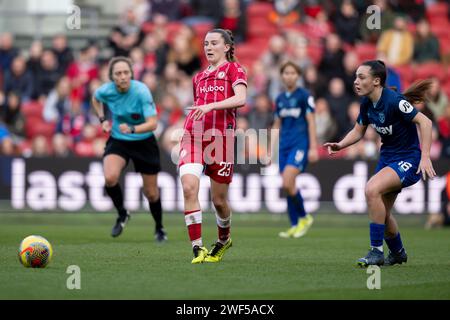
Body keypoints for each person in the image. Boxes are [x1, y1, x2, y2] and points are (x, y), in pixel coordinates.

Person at [324, 60, 436, 267]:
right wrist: (340, 145)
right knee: (382, 214)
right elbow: (358, 131)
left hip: (408, 160)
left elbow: (426, 122)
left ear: (376, 81)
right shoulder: (367, 103)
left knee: (371, 189)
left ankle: (376, 252)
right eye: (356, 77)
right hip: (387, 159)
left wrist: (425, 155)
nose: (356, 81)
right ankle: (398, 253)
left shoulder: (394, 101)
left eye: (361, 77)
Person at [178, 29, 247, 264]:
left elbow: (241, 99)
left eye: (214, 43)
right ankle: (197, 248)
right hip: (193, 136)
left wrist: (210, 107)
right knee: (189, 187)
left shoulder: (234, 69)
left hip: (221, 141)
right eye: (206, 43)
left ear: (227, 47)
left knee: (218, 201)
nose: (208, 47)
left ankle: (223, 239)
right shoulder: (198, 77)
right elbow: (199, 106)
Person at [91, 56, 167, 242]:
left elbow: (153, 124)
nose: (123, 76)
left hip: (144, 141)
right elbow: (95, 98)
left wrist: (133, 129)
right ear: (112, 77)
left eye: (126, 72)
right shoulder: (107, 90)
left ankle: (159, 228)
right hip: (119, 140)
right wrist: (102, 120)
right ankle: (122, 214)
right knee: (110, 178)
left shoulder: (141, 91)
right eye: (118, 73)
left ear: (131, 74)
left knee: (151, 193)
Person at [270, 61, 318, 238]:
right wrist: (269, 150)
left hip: (300, 144)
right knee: (287, 185)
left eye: (293, 73)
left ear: (298, 76)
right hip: (284, 146)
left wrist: (313, 147)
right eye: (286, 73)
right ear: (282, 76)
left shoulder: (304, 95)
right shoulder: (280, 99)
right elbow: (276, 125)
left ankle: (304, 217)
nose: (289, 76)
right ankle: (294, 224)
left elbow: (311, 121)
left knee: (288, 180)